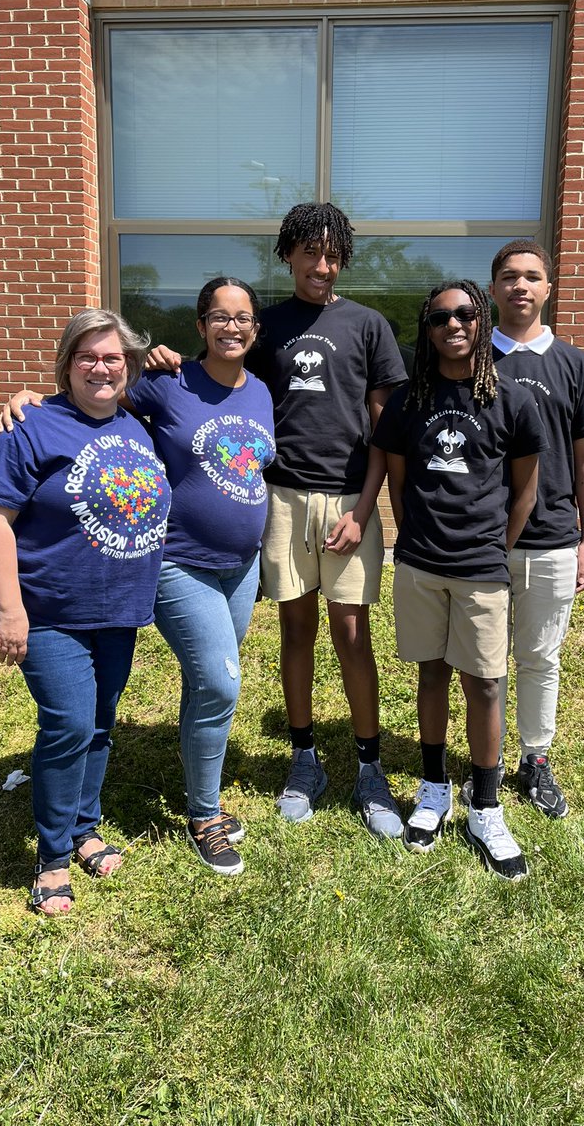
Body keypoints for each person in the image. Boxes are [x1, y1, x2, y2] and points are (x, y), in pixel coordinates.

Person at [147, 203, 408, 838]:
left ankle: (370, 768)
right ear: (288, 255)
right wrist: (160, 360)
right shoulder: (268, 329)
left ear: (343, 258)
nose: (322, 265)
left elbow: (384, 428)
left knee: (351, 633)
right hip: (281, 499)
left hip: (349, 500)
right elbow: (221, 374)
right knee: (296, 631)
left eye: (332, 254)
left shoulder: (369, 325)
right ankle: (304, 759)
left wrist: (366, 510)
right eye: (309, 253)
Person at [0, 280, 276, 877]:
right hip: (176, 564)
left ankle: (98, 825)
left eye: (244, 318)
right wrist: (30, 398)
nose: (233, 327)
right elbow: (90, 403)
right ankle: (201, 815)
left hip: (233, 567)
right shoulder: (165, 385)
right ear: (200, 325)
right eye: (219, 317)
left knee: (205, 685)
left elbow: (109, 409)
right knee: (220, 684)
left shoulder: (260, 393)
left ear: (256, 329)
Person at [0, 309, 171, 916]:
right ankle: (53, 856)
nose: (101, 367)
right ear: (66, 364)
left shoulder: (137, 425)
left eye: (113, 357)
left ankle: (86, 827)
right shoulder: (28, 426)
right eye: (87, 356)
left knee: (101, 721)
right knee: (69, 725)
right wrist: (10, 610)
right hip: (51, 608)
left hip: (117, 608)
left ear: (129, 367)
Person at [372, 280, 546, 880]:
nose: (454, 324)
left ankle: (487, 806)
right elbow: (398, 482)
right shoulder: (407, 401)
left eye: (466, 314)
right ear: (428, 328)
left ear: (481, 321)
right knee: (431, 675)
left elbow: (525, 488)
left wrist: (497, 547)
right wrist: (418, 538)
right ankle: (433, 790)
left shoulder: (513, 400)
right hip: (421, 565)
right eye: (441, 316)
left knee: (488, 685)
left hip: (482, 569)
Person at [483, 239, 584, 818]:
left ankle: (534, 758)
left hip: (552, 540)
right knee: (482, 660)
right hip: (479, 539)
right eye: (509, 277)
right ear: (493, 289)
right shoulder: (467, 356)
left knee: (538, 656)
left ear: (548, 288)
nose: (520, 286)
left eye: (532, 277)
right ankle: (481, 760)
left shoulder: (574, 364)